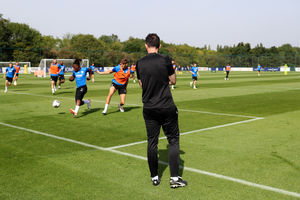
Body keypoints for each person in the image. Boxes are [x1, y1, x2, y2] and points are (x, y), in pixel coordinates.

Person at [136, 33, 187, 188]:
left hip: (149, 107)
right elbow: (173, 80)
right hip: (166, 105)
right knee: (173, 140)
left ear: (146, 45)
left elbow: (141, 84)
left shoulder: (139, 63)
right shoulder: (165, 59)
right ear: (159, 45)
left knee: (152, 142)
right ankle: (175, 179)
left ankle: (155, 177)